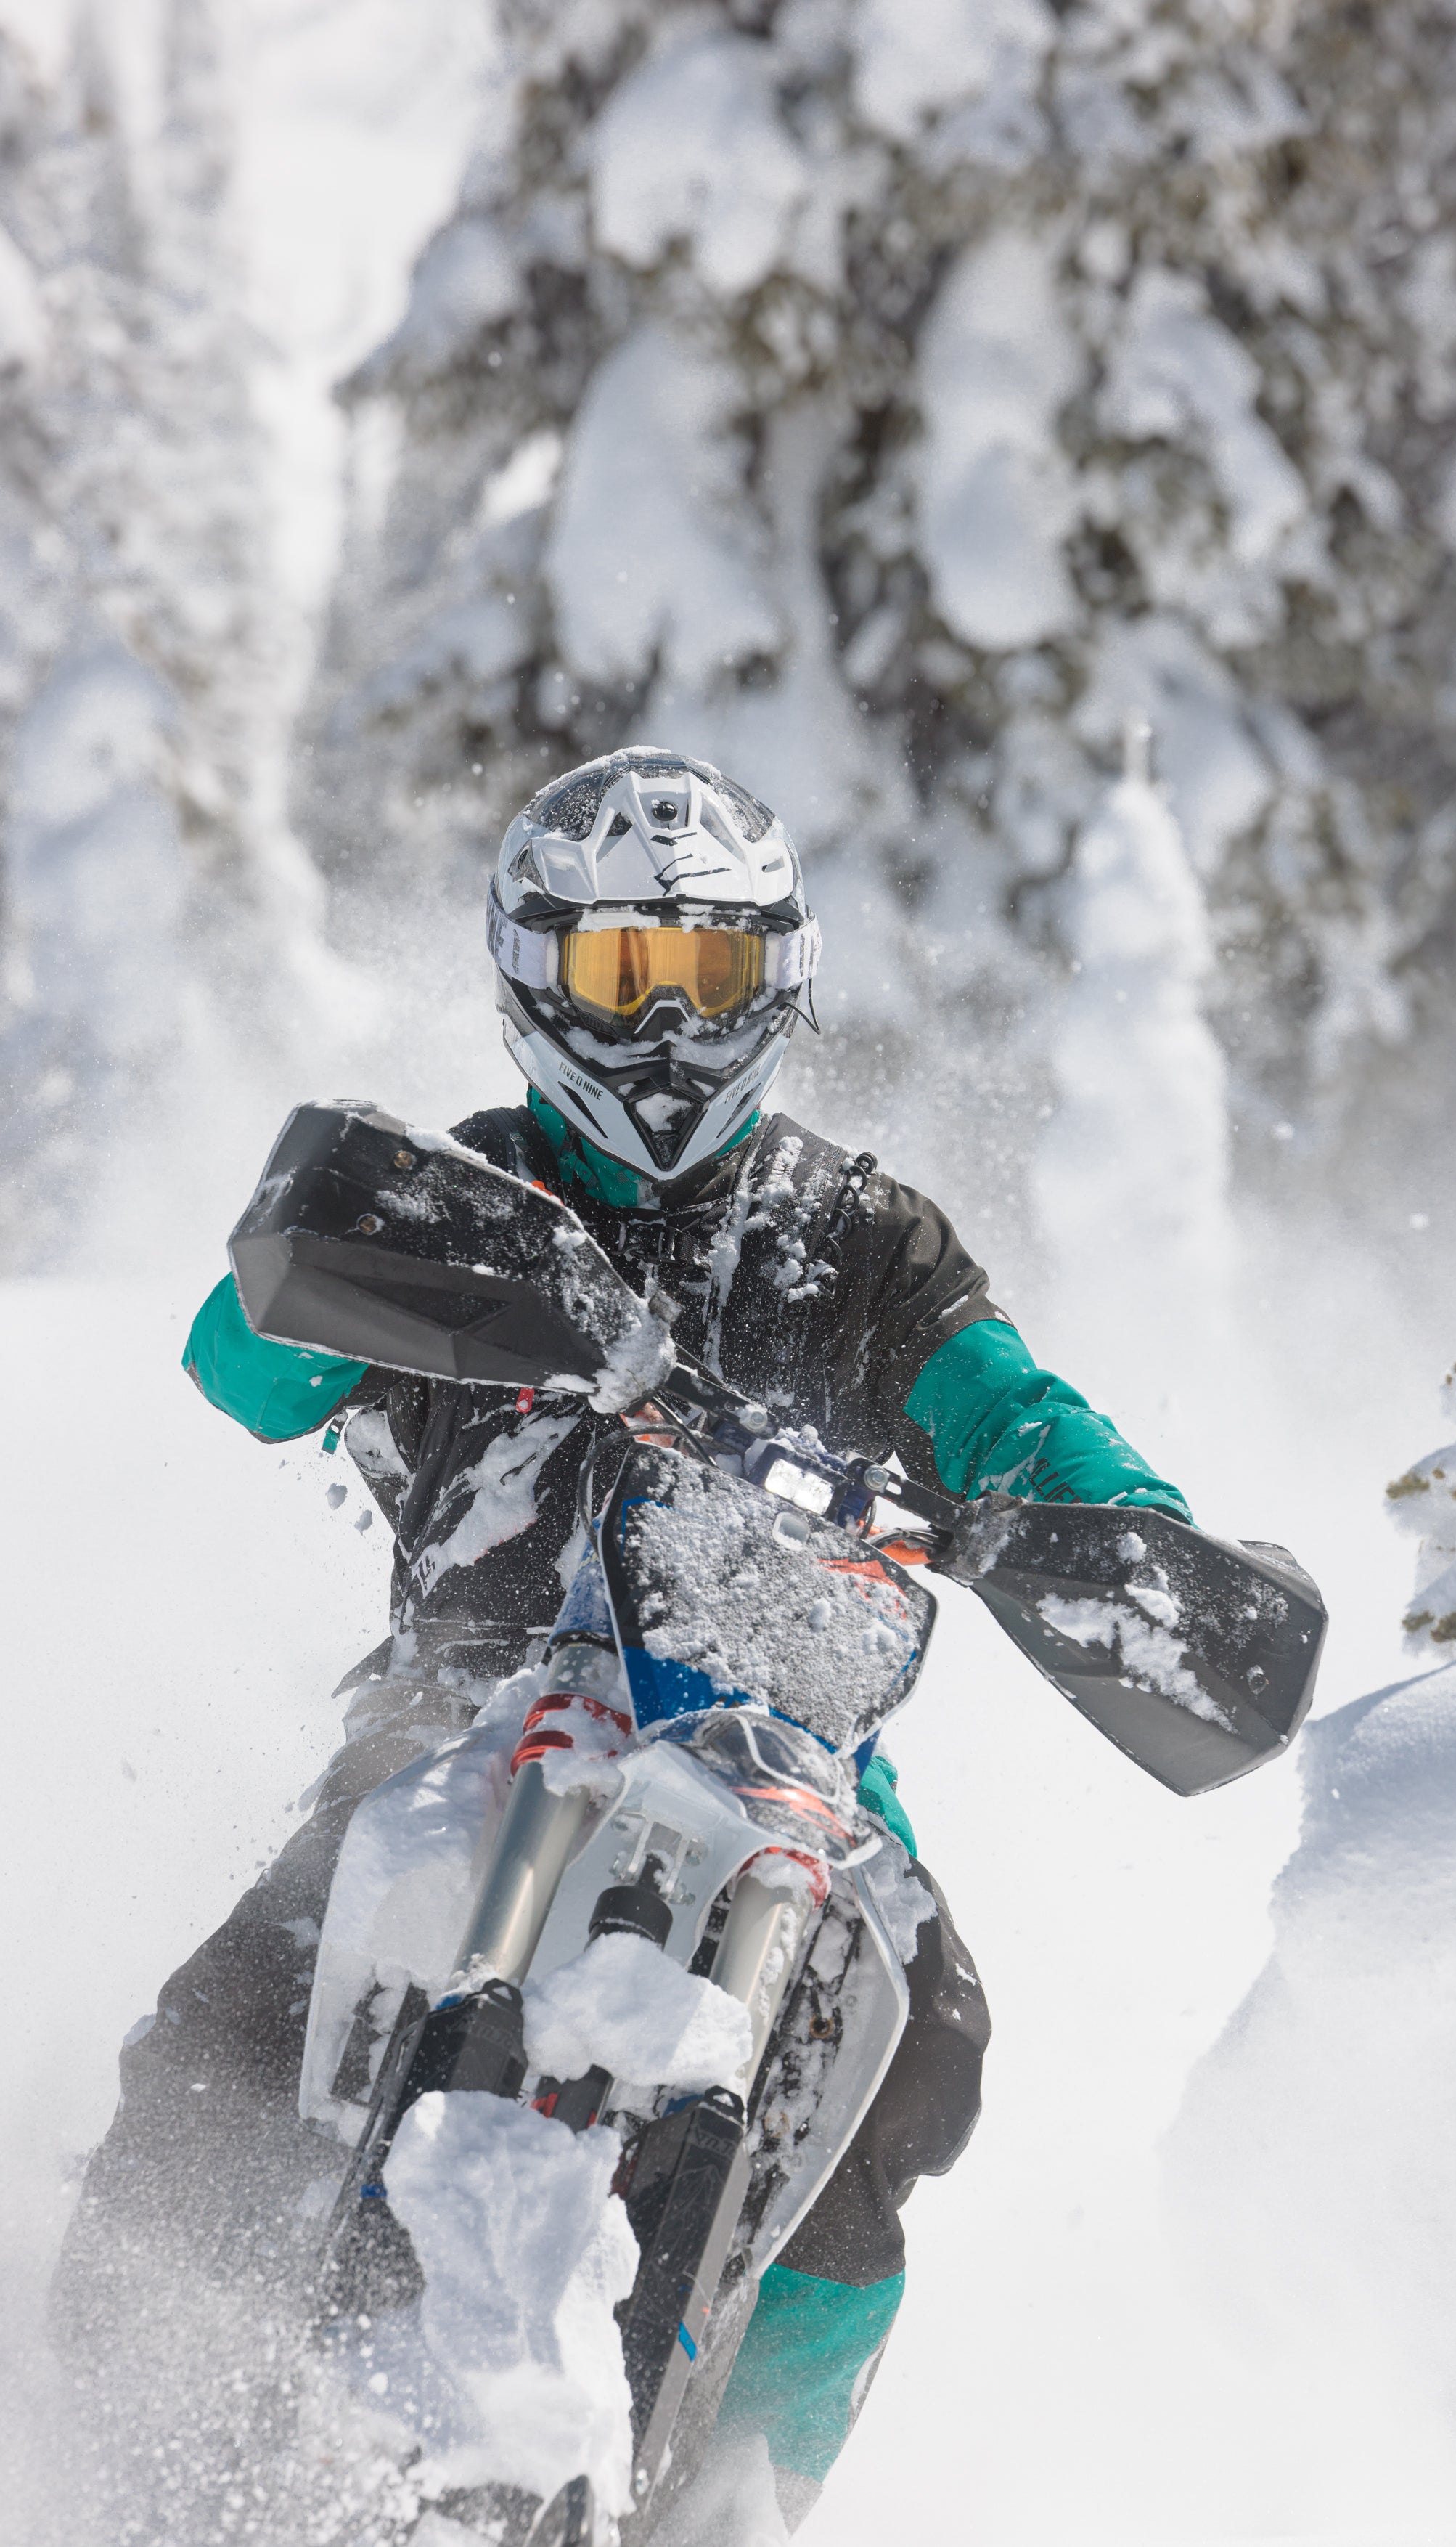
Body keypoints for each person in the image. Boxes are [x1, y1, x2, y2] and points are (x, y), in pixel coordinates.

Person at [54, 746, 1190, 2530]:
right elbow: (243, 1357)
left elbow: (1022, 1415)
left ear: (780, 982)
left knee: (931, 2047)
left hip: (795, 1760)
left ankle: (742, 2491)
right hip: (466, 1712)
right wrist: (360, 1252)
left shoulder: (864, 1241)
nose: (664, 1025)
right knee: (223, 2022)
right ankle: (117, 2445)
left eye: (707, 975)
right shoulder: (476, 1186)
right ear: (532, 976)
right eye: (618, 976)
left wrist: (1119, 1538)